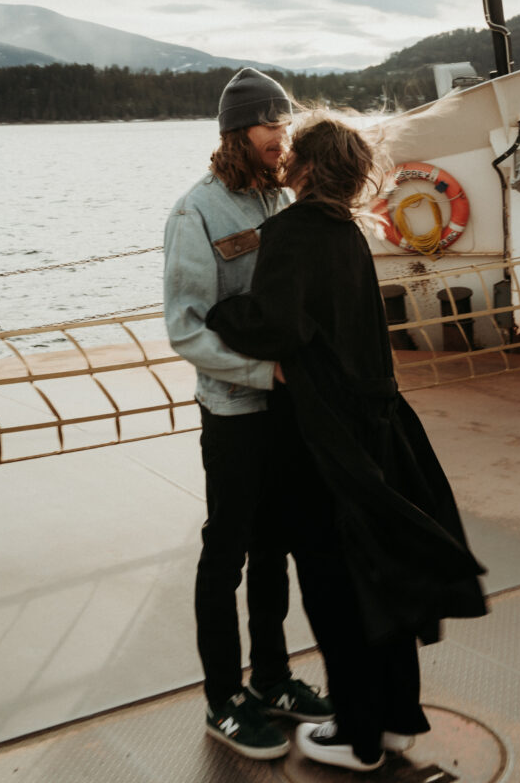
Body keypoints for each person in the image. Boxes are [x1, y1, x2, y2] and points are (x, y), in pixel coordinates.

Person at [207, 113, 487, 772]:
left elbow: (274, 325)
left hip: (322, 441)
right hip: (378, 431)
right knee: (377, 577)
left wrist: (217, 313)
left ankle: (355, 735)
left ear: (301, 169)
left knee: (332, 588)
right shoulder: (347, 233)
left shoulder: (292, 230)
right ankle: (391, 721)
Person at [163, 68, 332, 761]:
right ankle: (222, 699)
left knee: (276, 546)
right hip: (235, 410)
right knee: (225, 553)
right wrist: (263, 372)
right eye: (269, 125)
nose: (280, 137)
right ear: (237, 131)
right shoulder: (195, 214)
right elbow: (186, 329)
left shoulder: (282, 198)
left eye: (284, 125)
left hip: (287, 407)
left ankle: (271, 679)